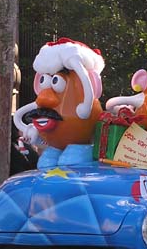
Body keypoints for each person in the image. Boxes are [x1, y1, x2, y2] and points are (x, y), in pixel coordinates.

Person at [13, 38, 105, 169]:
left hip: (80, 142)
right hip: (53, 145)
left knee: (70, 160)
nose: (44, 98)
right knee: (47, 162)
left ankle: (81, 150)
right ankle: (56, 150)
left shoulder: (84, 97)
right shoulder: (45, 101)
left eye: (56, 81)